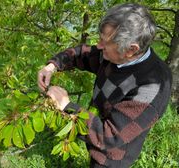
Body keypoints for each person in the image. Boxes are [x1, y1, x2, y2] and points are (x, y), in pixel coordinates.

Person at [37, 3, 172, 168]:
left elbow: (110, 137)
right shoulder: (113, 55)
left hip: (112, 158)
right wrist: (52, 66)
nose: (99, 46)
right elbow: (80, 54)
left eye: (105, 42)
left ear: (131, 50)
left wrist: (67, 105)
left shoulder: (152, 86)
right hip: (93, 135)